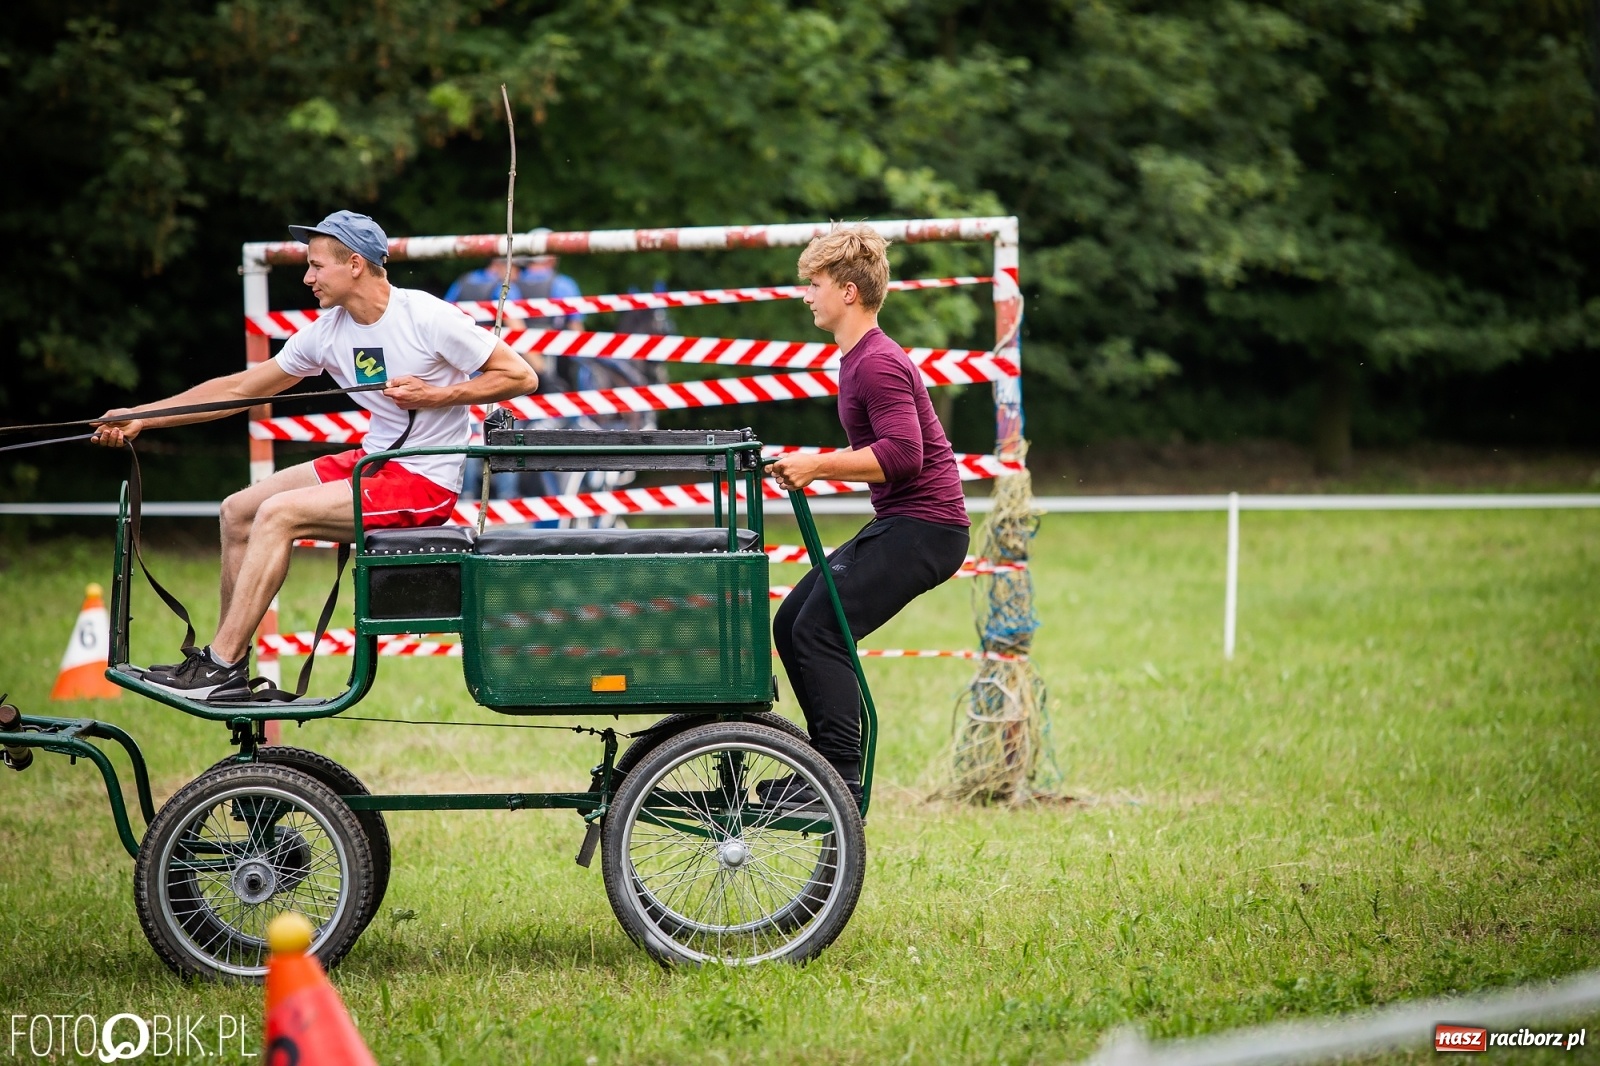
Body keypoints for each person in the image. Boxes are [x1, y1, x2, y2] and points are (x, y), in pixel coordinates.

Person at [90, 210, 537, 700]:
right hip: (375, 461)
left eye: (316, 266)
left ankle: (219, 664)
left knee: (279, 514)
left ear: (355, 264)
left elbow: (520, 376)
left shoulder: (427, 317)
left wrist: (436, 395)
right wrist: (142, 416)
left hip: (424, 482)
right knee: (238, 510)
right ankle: (225, 665)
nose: (307, 277)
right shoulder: (328, 331)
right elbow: (240, 388)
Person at [764, 225, 972, 809]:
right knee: (792, 622)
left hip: (926, 528)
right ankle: (822, 767)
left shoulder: (877, 363)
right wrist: (806, 465)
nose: (807, 295)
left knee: (820, 628)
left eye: (816, 283)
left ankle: (837, 779)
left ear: (849, 292)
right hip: (904, 522)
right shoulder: (858, 359)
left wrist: (819, 466)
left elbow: (906, 457)